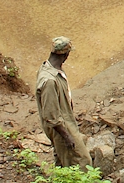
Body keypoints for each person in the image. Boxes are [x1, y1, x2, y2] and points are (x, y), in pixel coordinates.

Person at [36, 37, 92, 169]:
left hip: (65, 121)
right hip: (61, 128)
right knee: (83, 161)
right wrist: (67, 137)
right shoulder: (49, 81)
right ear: (65, 55)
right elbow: (51, 116)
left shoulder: (52, 69)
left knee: (63, 161)